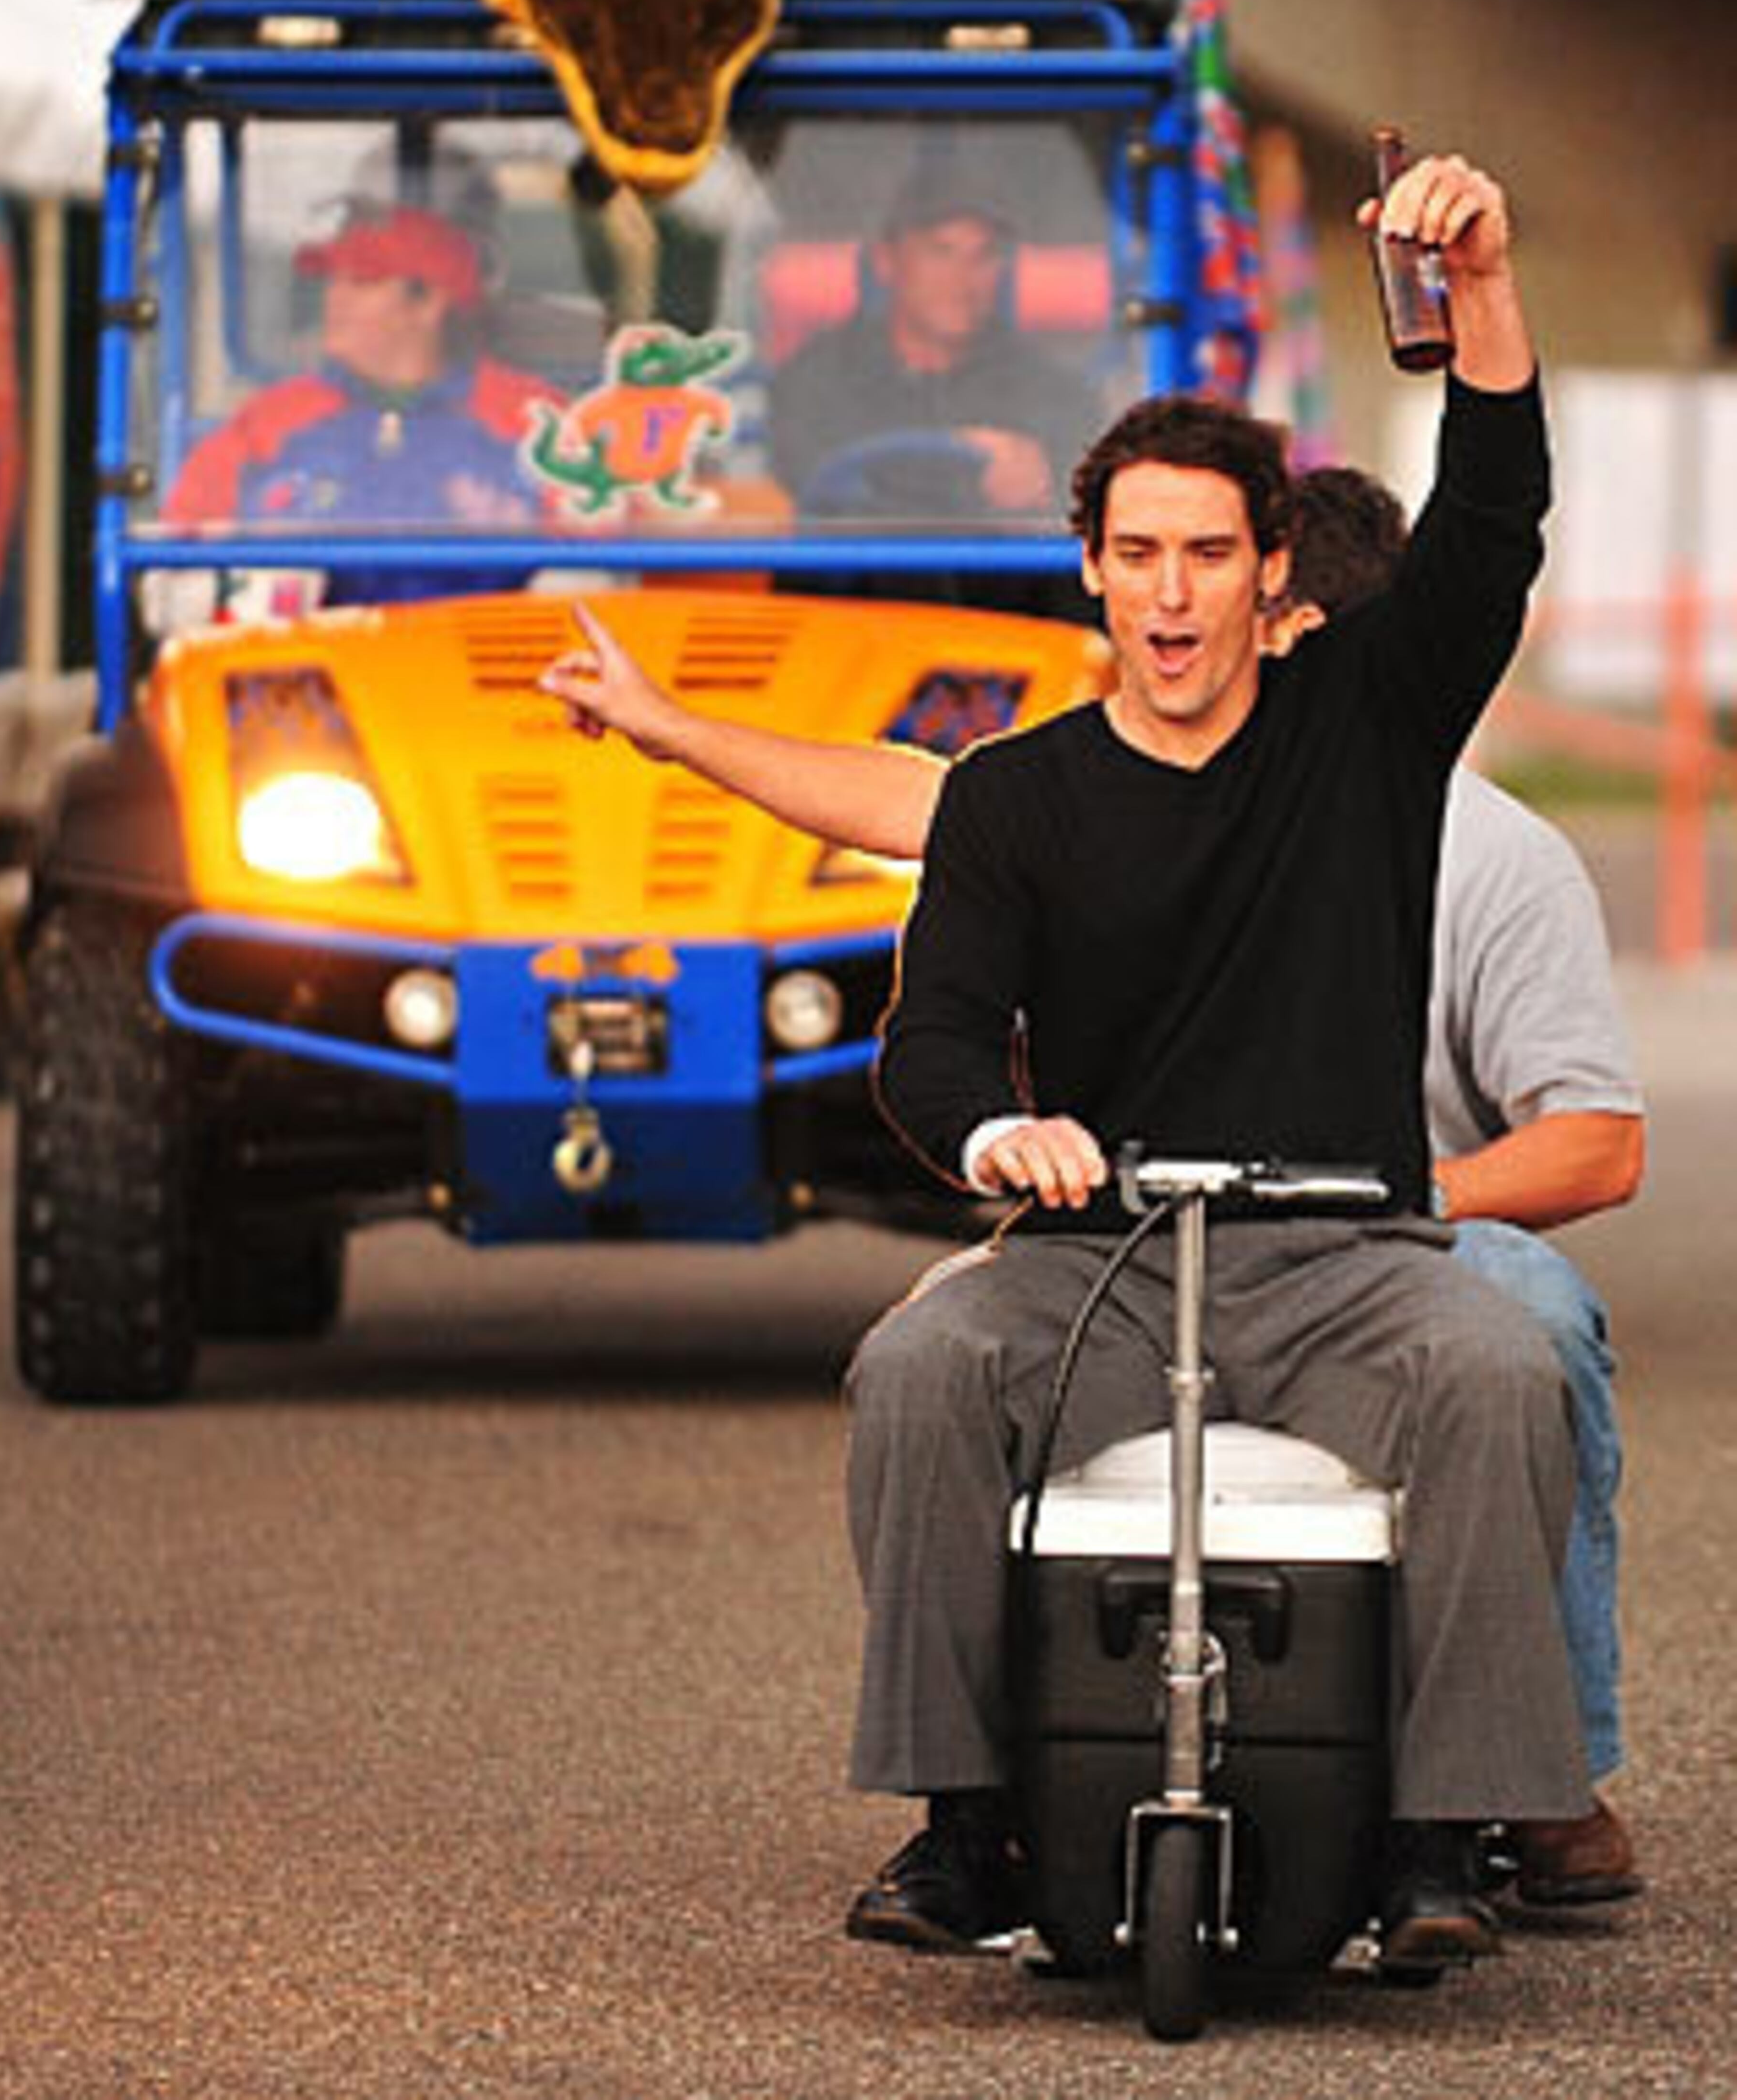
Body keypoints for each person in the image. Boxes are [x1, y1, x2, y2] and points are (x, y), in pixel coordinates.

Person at [550, 148, 1595, 1966]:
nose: (1172, 596)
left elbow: (1494, 516)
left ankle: (1439, 1836)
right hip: (1093, 1255)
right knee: (918, 1361)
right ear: (1091, 576)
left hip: (1349, 1255)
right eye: (1136, 558)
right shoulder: (1014, 794)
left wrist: (1486, 287)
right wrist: (996, 1128)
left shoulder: (1365, 726)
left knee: (1502, 1364)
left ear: (1277, 576)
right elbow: (931, 1035)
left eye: (1209, 555)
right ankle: (964, 1827)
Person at [163, 201, 548, 526]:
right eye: (333, 279)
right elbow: (181, 544)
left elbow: (594, 549)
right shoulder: (270, 422)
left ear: (429, 304)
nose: (335, 297)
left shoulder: (532, 420)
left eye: (361, 281)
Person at [769, 164, 1103, 521]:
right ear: (887, 261)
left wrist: (1043, 477)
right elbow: (808, 474)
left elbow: (1080, 498)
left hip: (990, 574)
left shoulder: (1051, 391)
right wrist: (962, 456)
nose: (962, 277)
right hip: (854, 573)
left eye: (984, 255)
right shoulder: (817, 377)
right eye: (940, 251)